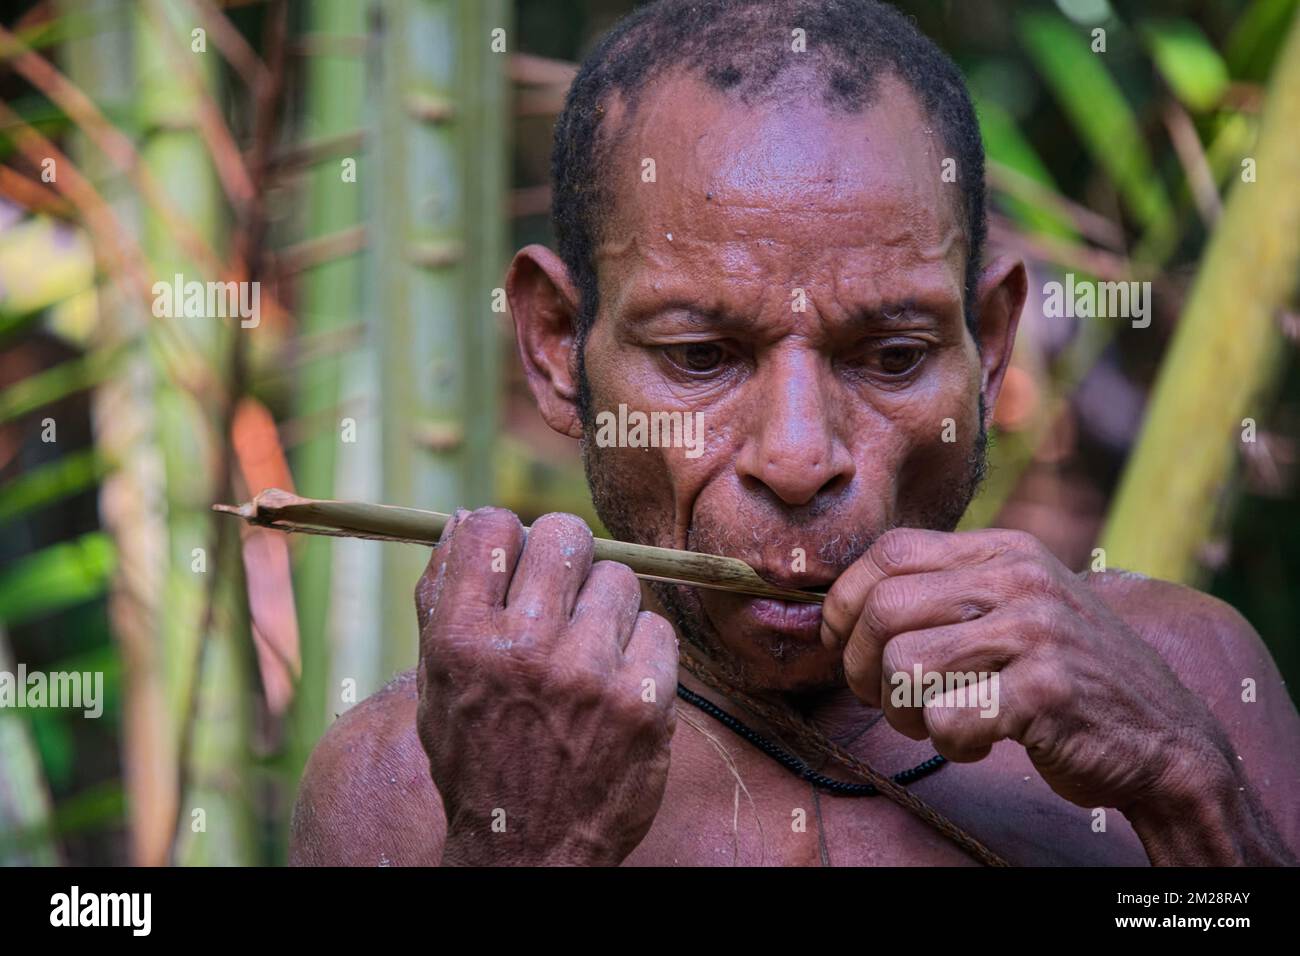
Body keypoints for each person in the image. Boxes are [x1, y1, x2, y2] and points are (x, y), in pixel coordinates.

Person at [288, 0, 1299, 866]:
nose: (799, 456)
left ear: (988, 349)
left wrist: (1185, 795)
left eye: (891, 355)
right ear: (556, 345)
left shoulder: (1189, 678)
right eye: (701, 355)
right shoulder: (406, 787)